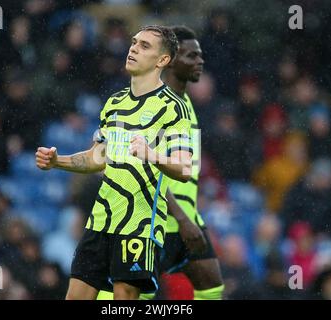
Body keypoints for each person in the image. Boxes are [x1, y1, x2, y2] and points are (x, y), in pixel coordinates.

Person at [35, 25, 193, 300]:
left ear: (162, 60)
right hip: (100, 221)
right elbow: (99, 157)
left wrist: (152, 154)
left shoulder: (174, 107)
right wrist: (57, 162)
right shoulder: (114, 102)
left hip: (139, 224)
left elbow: (184, 168)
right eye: (134, 42)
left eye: (144, 46)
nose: (133, 48)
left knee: (123, 301)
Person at [97, 26, 224, 301]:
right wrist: (181, 219)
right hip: (159, 219)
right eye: (191, 56)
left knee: (211, 285)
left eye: (200, 55)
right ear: (170, 59)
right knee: (126, 293)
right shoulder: (156, 104)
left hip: (185, 217)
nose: (199, 61)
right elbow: (145, 169)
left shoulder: (185, 101)